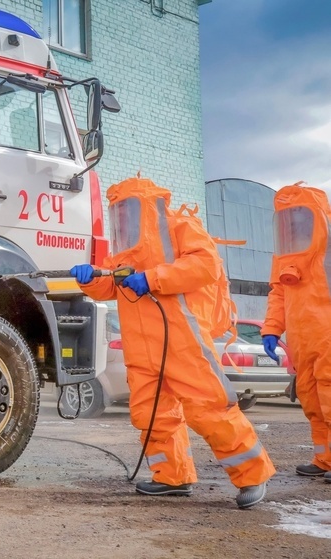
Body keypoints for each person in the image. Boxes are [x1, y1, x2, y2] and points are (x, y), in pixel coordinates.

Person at [71, 176, 275, 509]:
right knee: (152, 415)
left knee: (209, 409)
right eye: (118, 211)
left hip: (182, 341)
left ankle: (253, 474)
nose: (122, 217)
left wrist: (153, 278)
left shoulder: (180, 226)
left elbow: (205, 265)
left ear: (146, 205)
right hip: (141, 348)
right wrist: (92, 277)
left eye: (127, 209)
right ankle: (172, 476)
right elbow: (109, 286)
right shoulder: (123, 250)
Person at [261, 183, 331, 483]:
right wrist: (272, 329)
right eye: (287, 219)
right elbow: (278, 294)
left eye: (298, 218)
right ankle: (324, 458)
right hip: (303, 342)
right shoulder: (285, 255)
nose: (293, 225)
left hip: (327, 337)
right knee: (313, 402)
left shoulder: (328, 249)